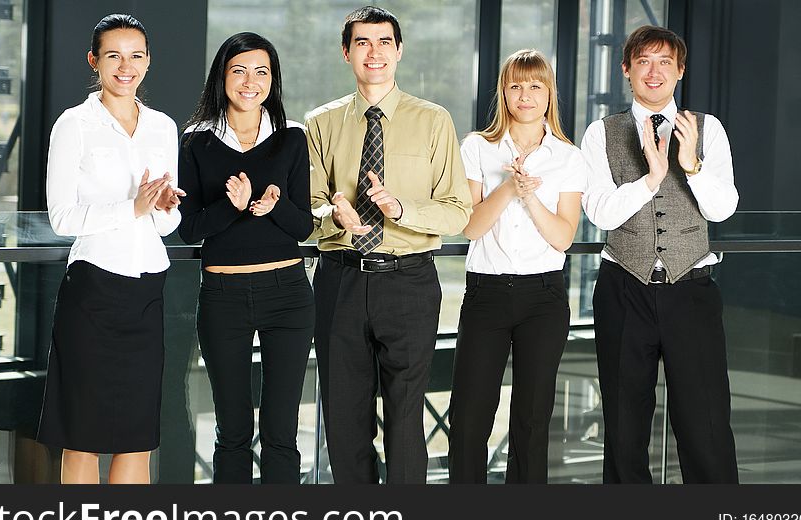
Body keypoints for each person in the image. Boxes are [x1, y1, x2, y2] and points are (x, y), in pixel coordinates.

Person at [305, 5, 471, 484]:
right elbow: (309, 208)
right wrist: (333, 215)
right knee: (344, 417)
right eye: (362, 43)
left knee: (405, 416)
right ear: (346, 52)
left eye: (383, 43)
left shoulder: (434, 121)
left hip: (409, 281)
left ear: (399, 51)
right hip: (340, 281)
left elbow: (458, 210)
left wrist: (401, 211)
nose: (373, 53)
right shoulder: (320, 123)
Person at [581, 25, 739, 483]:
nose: (654, 72)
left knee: (705, 422)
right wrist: (650, 178)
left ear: (680, 71)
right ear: (626, 70)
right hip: (622, 289)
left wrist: (691, 166)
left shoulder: (708, 129)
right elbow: (599, 213)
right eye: (643, 62)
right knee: (625, 425)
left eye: (665, 62)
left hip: (691, 291)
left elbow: (723, 208)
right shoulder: (601, 133)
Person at [37, 13, 183, 484]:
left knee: (137, 436)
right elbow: (61, 218)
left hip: (148, 290)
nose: (126, 66)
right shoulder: (74, 124)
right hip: (93, 291)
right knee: (84, 435)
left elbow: (165, 223)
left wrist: (161, 206)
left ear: (148, 62)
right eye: (114, 56)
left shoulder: (162, 126)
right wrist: (132, 207)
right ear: (94, 61)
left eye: (136, 55)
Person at [178, 32, 314, 484]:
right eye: (239, 70)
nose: (250, 81)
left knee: (281, 431)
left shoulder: (293, 138)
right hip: (223, 295)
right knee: (231, 429)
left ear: (272, 81)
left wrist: (275, 207)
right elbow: (190, 229)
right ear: (222, 76)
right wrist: (230, 207)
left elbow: (304, 228)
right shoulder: (196, 142)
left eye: (261, 72)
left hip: (288, 294)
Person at [447, 49, 586, 484]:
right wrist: (509, 187)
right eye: (515, 86)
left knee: (531, 418)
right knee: (469, 416)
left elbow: (563, 237)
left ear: (549, 94)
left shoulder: (568, 156)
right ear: (503, 92)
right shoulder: (476, 147)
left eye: (535, 86)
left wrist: (530, 196)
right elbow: (470, 227)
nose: (524, 95)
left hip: (543, 298)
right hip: (485, 293)